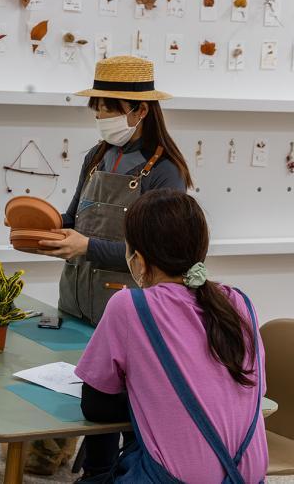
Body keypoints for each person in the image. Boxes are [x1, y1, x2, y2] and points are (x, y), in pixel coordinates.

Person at [24, 55, 193, 476]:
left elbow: (160, 256)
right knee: (87, 397)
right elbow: (73, 218)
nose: (100, 115)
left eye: (109, 107)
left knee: (126, 411)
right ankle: (88, 467)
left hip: (129, 308)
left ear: (140, 110)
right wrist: (43, 229)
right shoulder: (96, 157)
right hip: (78, 299)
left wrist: (87, 247)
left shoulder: (165, 173)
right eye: (96, 106)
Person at [75, 189, 268, 483]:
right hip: (249, 477)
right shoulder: (240, 303)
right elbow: (255, 390)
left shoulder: (130, 306)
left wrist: (149, 397)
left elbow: (95, 406)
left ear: (137, 258)